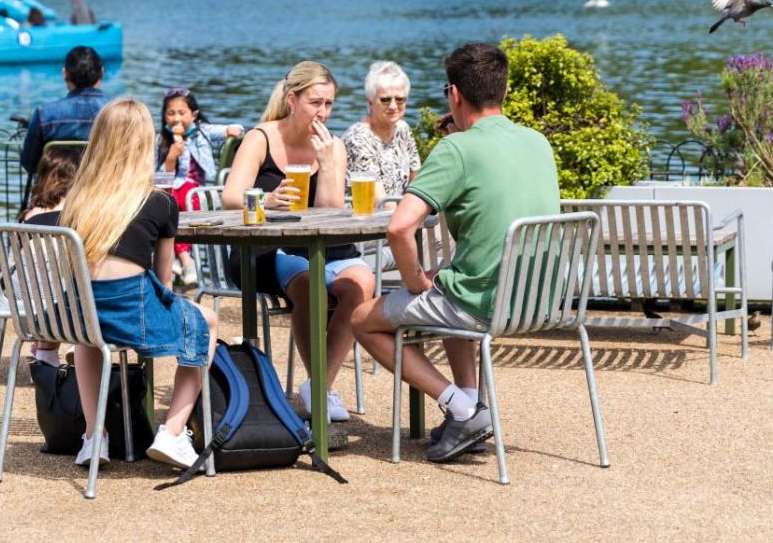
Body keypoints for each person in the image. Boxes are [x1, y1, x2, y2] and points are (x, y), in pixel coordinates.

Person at [351, 43, 560, 463]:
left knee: (362, 320)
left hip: (481, 304)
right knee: (450, 281)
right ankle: (470, 410)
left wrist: (414, 284)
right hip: (539, 301)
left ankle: (462, 408)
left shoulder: (455, 150)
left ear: (454, 95)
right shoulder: (537, 142)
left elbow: (399, 226)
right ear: (503, 91)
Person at [26, 98, 217, 471]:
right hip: (132, 315)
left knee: (89, 336)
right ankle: (173, 432)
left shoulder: (77, 202)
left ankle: (94, 437)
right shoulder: (159, 203)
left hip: (79, 317)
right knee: (204, 322)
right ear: (144, 145)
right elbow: (164, 283)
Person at [222, 61, 374, 423]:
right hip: (265, 249)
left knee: (361, 284)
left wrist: (327, 163)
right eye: (315, 103)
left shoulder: (332, 146)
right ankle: (322, 392)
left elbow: (331, 211)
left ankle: (318, 387)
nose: (322, 112)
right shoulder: (260, 138)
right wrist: (266, 200)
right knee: (309, 285)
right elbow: (230, 196)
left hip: (321, 245)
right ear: (292, 99)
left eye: (329, 104)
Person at [155, 88, 243, 285]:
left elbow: (235, 127)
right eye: (170, 113)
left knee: (179, 196)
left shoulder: (202, 131)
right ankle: (186, 261)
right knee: (167, 200)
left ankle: (181, 261)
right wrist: (171, 158)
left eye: (181, 113)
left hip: (196, 191)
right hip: (171, 192)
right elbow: (159, 180)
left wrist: (231, 130)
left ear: (193, 114)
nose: (176, 119)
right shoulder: (161, 140)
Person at [18, 147, 81, 366]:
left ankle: (46, 361)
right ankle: (78, 346)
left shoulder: (29, 216)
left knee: (50, 285)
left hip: (24, 308)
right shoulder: (76, 218)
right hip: (61, 313)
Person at [19, 46, 108, 175]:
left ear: (65, 73)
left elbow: (30, 164)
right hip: (105, 190)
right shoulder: (119, 112)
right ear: (102, 72)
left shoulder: (45, 114)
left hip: (58, 192)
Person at [342, 61, 420, 201]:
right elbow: (380, 202)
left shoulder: (403, 129)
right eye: (385, 100)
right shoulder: (358, 139)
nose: (393, 106)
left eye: (400, 99)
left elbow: (416, 181)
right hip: (365, 217)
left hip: (399, 213)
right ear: (370, 102)